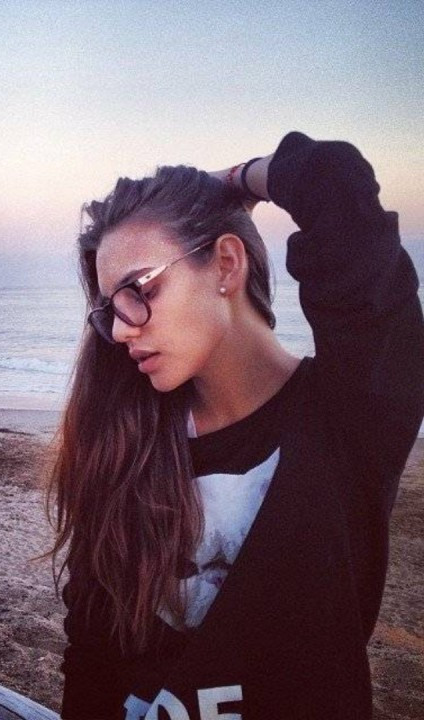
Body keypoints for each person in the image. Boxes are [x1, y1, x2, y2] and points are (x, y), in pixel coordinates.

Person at [44, 131, 424, 720]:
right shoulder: (127, 442)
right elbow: (93, 654)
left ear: (226, 263)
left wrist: (234, 181)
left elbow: (331, 178)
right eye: (110, 308)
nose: (119, 330)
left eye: (139, 290)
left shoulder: (352, 414)